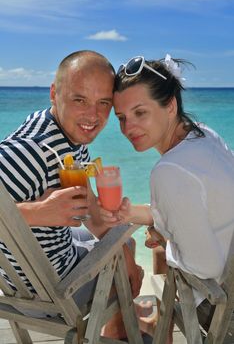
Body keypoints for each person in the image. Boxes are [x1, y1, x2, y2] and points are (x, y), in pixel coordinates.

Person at [0, 50, 146, 338]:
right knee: (127, 259)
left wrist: (120, 243)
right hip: (48, 291)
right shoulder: (30, 151)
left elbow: (89, 206)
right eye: (79, 99)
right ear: (55, 93)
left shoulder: (64, 131)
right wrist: (38, 212)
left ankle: (116, 324)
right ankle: (114, 333)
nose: (92, 116)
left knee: (123, 243)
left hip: (31, 266)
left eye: (103, 103)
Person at [99, 54, 234, 340]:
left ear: (170, 105)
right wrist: (133, 214)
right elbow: (198, 204)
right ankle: (161, 326)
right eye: (121, 118)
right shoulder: (204, 137)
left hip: (222, 308)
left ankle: (160, 331)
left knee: (161, 251)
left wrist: (166, 239)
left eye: (140, 113)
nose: (127, 128)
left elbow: (205, 267)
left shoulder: (168, 171)